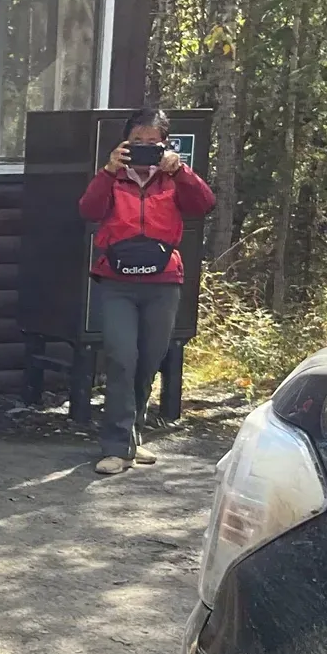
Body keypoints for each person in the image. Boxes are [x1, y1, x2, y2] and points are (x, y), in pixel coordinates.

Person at [77, 109, 216, 476]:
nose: (143, 149)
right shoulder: (113, 177)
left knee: (149, 360)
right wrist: (108, 171)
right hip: (116, 281)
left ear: (165, 144)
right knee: (122, 357)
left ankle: (132, 436)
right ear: (124, 143)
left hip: (162, 281)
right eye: (136, 141)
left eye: (151, 142)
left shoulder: (174, 179)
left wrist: (180, 170)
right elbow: (88, 210)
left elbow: (204, 205)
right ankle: (115, 446)